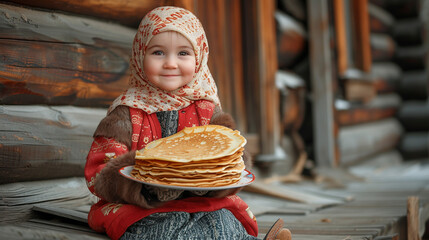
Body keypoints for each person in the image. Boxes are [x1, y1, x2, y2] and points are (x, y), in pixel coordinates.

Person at [84, 6, 291, 240]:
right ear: (140, 54)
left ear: (199, 57)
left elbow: (232, 160)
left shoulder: (207, 110)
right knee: (163, 229)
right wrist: (149, 176)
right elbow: (99, 175)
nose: (171, 63)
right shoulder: (125, 113)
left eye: (183, 53)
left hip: (202, 201)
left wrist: (218, 171)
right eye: (158, 52)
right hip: (144, 206)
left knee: (221, 221)